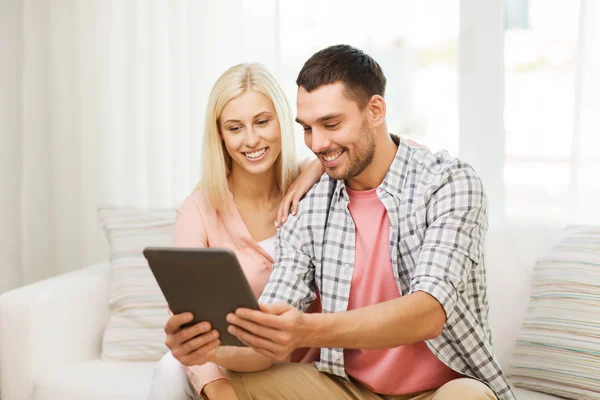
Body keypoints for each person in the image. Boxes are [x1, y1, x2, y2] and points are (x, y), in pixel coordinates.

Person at [171, 45, 517, 399]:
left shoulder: (447, 184)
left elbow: (427, 314)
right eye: (307, 128)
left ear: (376, 110)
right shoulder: (307, 204)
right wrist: (207, 348)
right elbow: (267, 340)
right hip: (345, 390)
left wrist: (305, 330)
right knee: (231, 386)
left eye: (331, 124)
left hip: (441, 390)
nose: (317, 144)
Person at [147, 62, 324, 400]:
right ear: (220, 135)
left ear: (282, 122)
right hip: (231, 363)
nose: (252, 139)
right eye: (235, 127)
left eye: (262, 122)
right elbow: (186, 319)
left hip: (305, 369)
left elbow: (388, 150)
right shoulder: (198, 210)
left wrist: (314, 168)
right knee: (170, 368)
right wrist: (216, 386)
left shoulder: (313, 188)